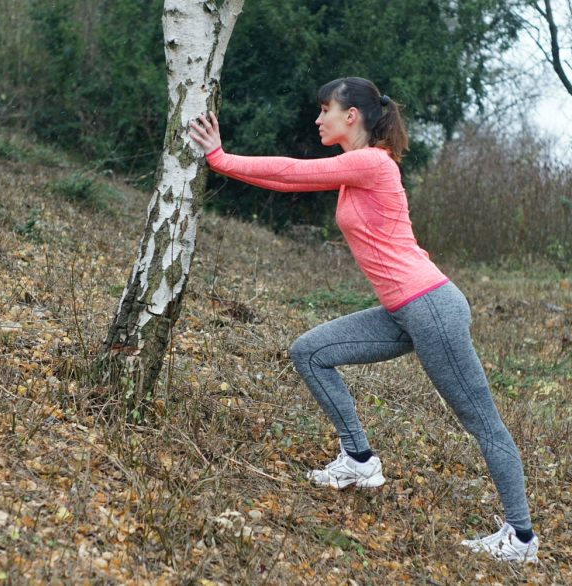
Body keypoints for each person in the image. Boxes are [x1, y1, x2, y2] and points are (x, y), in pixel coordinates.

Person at [189, 77, 539, 563]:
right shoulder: (359, 168)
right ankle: (358, 460)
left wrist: (220, 158)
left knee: (482, 423)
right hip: (406, 309)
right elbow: (288, 180)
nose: (318, 119)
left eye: (325, 109)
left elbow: (292, 173)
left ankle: (520, 538)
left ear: (351, 115)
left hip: (431, 308)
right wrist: (220, 162)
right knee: (309, 352)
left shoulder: (371, 161)